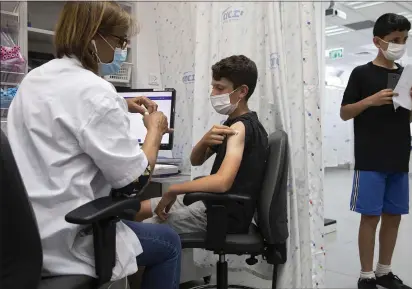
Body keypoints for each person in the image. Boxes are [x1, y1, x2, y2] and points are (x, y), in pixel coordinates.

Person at [6, 2, 181, 289]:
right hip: (68, 241)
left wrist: (120, 104)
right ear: (95, 36)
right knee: (169, 242)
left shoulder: (34, 79)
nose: (121, 49)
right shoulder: (96, 91)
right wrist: (155, 132)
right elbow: (133, 184)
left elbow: (63, 114)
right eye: (120, 40)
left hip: (24, 237)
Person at [135, 55, 268, 234]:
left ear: (242, 91)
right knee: (138, 209)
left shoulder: (240, 128)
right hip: (212, 201)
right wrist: (205, 139)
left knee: (142, 233)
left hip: (223, 213)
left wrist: (173, 190)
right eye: (213, 86)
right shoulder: (230, 123)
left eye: (220, 88)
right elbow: (195, 160)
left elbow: (222, 182)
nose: (213, 93)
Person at [340, 13, 412, 289]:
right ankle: (366, 276)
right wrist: (371, 100)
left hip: (398, 156)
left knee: (393, 216)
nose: (400, 44)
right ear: (377, 41)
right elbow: (344, 113)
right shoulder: (361, 74)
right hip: (370, 158)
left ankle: (384, 271)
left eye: (404, 39)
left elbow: (405, 119)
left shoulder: (404, 75)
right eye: (394, 40)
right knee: (370, 216)